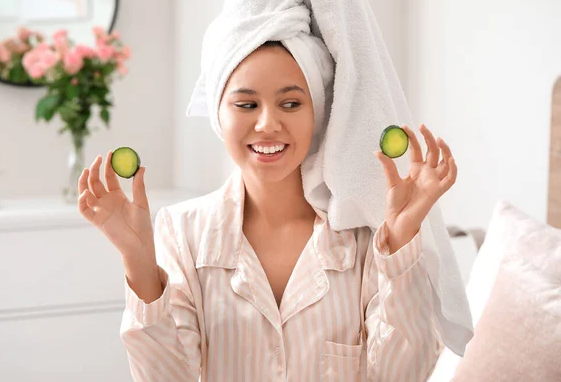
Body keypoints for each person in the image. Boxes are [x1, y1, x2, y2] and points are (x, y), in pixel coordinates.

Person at [78, 40, 458, 381]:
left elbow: (405, 374)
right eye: (246, 104)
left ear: (319, 114)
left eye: (291, 103)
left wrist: (403, 242)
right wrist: (139, 263)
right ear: (218, 115)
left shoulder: (367, 234)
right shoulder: (181, 231)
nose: (267, 124)